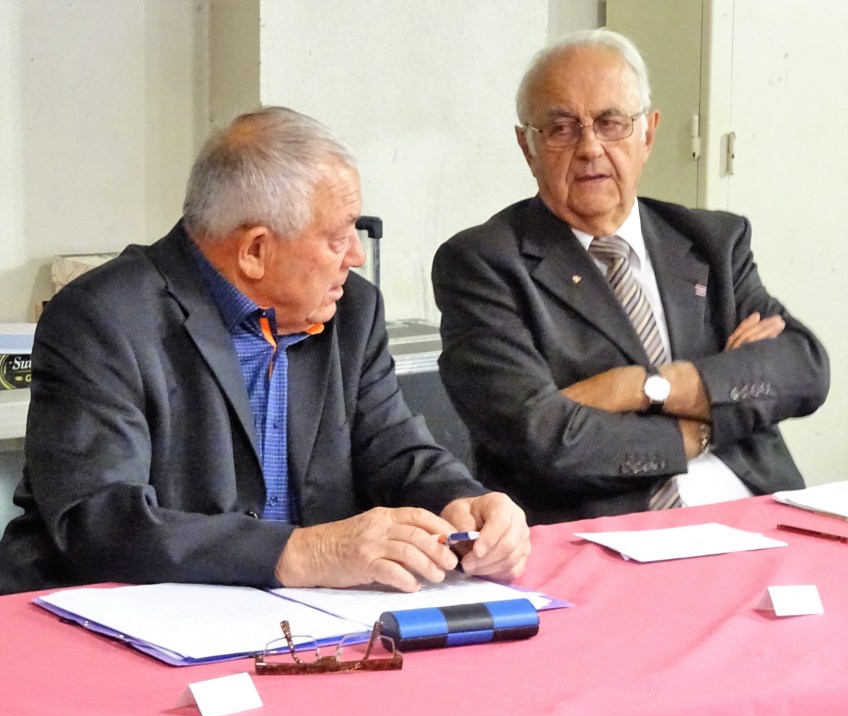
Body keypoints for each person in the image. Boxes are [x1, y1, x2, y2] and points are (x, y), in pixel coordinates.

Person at [0, 106, 530, 595]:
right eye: (337, 238)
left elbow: (394, 451)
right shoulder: (103, 319)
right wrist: (300, 551)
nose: (355, 257)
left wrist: (464, 503)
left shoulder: (351, 310)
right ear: (255, 250)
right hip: (114, 616)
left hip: (303, 619)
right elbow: (99, 519)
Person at [431, 29, 829, 524]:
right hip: (608, 530)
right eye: (561, 128)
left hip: (758, 509)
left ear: (648, 133)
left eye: (611, 122)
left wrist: (643, 387)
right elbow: (542, 437)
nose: (590, 148)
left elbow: (802, 370)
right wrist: (709, 418)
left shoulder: (713, 241)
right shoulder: (484, 264)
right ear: (527, 146)